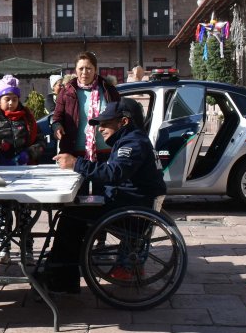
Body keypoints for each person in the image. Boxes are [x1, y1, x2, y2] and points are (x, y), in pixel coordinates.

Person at [46, 98, 166, 293]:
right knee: (76, 208)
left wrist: (77, 164)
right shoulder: (132, 140)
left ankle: (61, 279)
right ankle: (61, 272)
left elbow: (114, 173)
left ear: (124, 122)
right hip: (129, 203)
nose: (100, 128)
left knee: (71, 218)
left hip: (132, 212)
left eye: (105, 123)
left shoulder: (133, 142)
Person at [53, 51, 122, 166]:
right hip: (75, 153)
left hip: (106, 151)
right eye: (81, 68)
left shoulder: (108, 90)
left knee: (105, 183)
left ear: (95, 69)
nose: (85, 72)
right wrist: (57, 126)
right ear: (75, 70)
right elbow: (57, 117)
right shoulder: (66, 91)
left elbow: (119, 116)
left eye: (89, 68)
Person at [0, 75, 42, 166]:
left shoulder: (28, 118)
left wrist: (28, 154)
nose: (11, 103)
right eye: (7, 99)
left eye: (14, 99)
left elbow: (40, 141)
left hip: (26, 167)